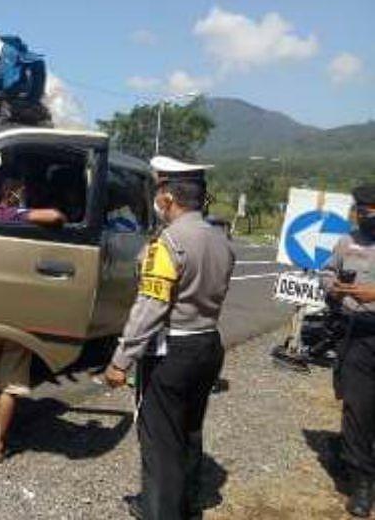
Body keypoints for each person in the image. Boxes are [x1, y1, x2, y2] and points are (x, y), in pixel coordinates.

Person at [104, 156, 235, 520]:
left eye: (158, 193)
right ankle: (186, 506)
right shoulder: (219, 238)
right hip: (208, 343)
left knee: (161, 441)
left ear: (167, 199)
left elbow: (150, 308)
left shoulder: (168, 243)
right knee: (190, 430)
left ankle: (159, 510)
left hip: (172, 350)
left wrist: (121, 361)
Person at [0, 173, 67, 464]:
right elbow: (56, 216)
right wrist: (21, 208)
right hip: (19, 313)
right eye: (21, 187)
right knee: (10, 384)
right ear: (12, 191)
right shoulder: (17, 214)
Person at [322, 184, 375, 517]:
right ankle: (361, 484)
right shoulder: (347, 241)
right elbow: (327, 272)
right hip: (358, 335)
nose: (368, 215)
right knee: (357, 409)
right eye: (364, 209)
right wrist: (337, 290)